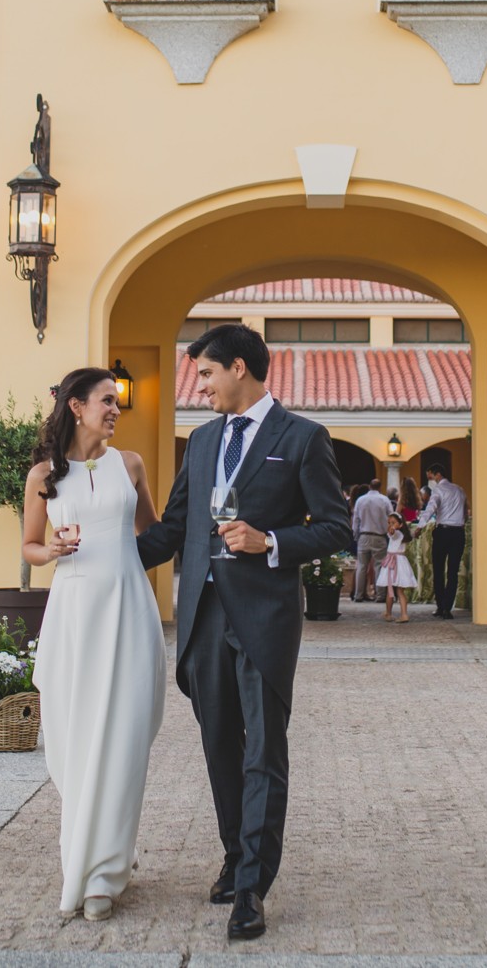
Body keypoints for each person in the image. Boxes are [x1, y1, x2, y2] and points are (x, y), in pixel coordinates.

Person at [136, 323, 352, 941]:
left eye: (205, 373)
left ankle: (252, 886)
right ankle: (235, 854)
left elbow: (334, 527)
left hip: (264, 618)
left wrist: (271, 541)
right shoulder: (201, 443)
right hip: (203, 618)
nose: (198, 386)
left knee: (263, 751)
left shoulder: (304, 438)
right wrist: (100, 556)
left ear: (237, 368)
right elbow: (173, 528)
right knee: (218, 747)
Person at [24, 366, 166, 923]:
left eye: (118, 402)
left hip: (129, 611)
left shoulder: (130, 465)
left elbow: (154, 536)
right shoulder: (43, 475)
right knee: (78, 740)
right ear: (76, 406)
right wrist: (53, 550)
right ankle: (79, 864)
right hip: (75, 615)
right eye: (106, 400)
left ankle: (107, 875)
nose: (115, 409)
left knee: (125, 740)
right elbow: (30, 548)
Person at [423, 464, 468, 619]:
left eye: (431, 476)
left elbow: (431, 508)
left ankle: (440, 605)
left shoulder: (438, 490)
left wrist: (420, 526)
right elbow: (466, 512)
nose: (431, 479)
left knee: (438, 569)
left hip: (443, 532)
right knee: (453, 571)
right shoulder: (460, 490)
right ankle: (448, 607)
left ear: (437, 475)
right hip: (458, 532)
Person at [350, 478, 391, 602]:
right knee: (379, 566)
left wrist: (356, 535)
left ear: (370, 486)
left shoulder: (360, 500)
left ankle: (358, 595)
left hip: (364, 535)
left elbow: (356, 519)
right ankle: (380, 595)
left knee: (362, 566)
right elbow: (391, 517)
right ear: (380, 487)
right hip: (379, 536)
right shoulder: (384, 500)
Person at [375, 512, 418, 623]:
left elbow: (393, 533)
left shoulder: (397, 533)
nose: (390, 525)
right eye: (389, 523)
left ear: (401, 524)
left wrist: (393, 530)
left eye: (393, 523)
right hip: (396, 561)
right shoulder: (400, 534)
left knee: (395, 590)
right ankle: (390, 613)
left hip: (395, 563)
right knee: (394, 590)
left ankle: (402, 614)